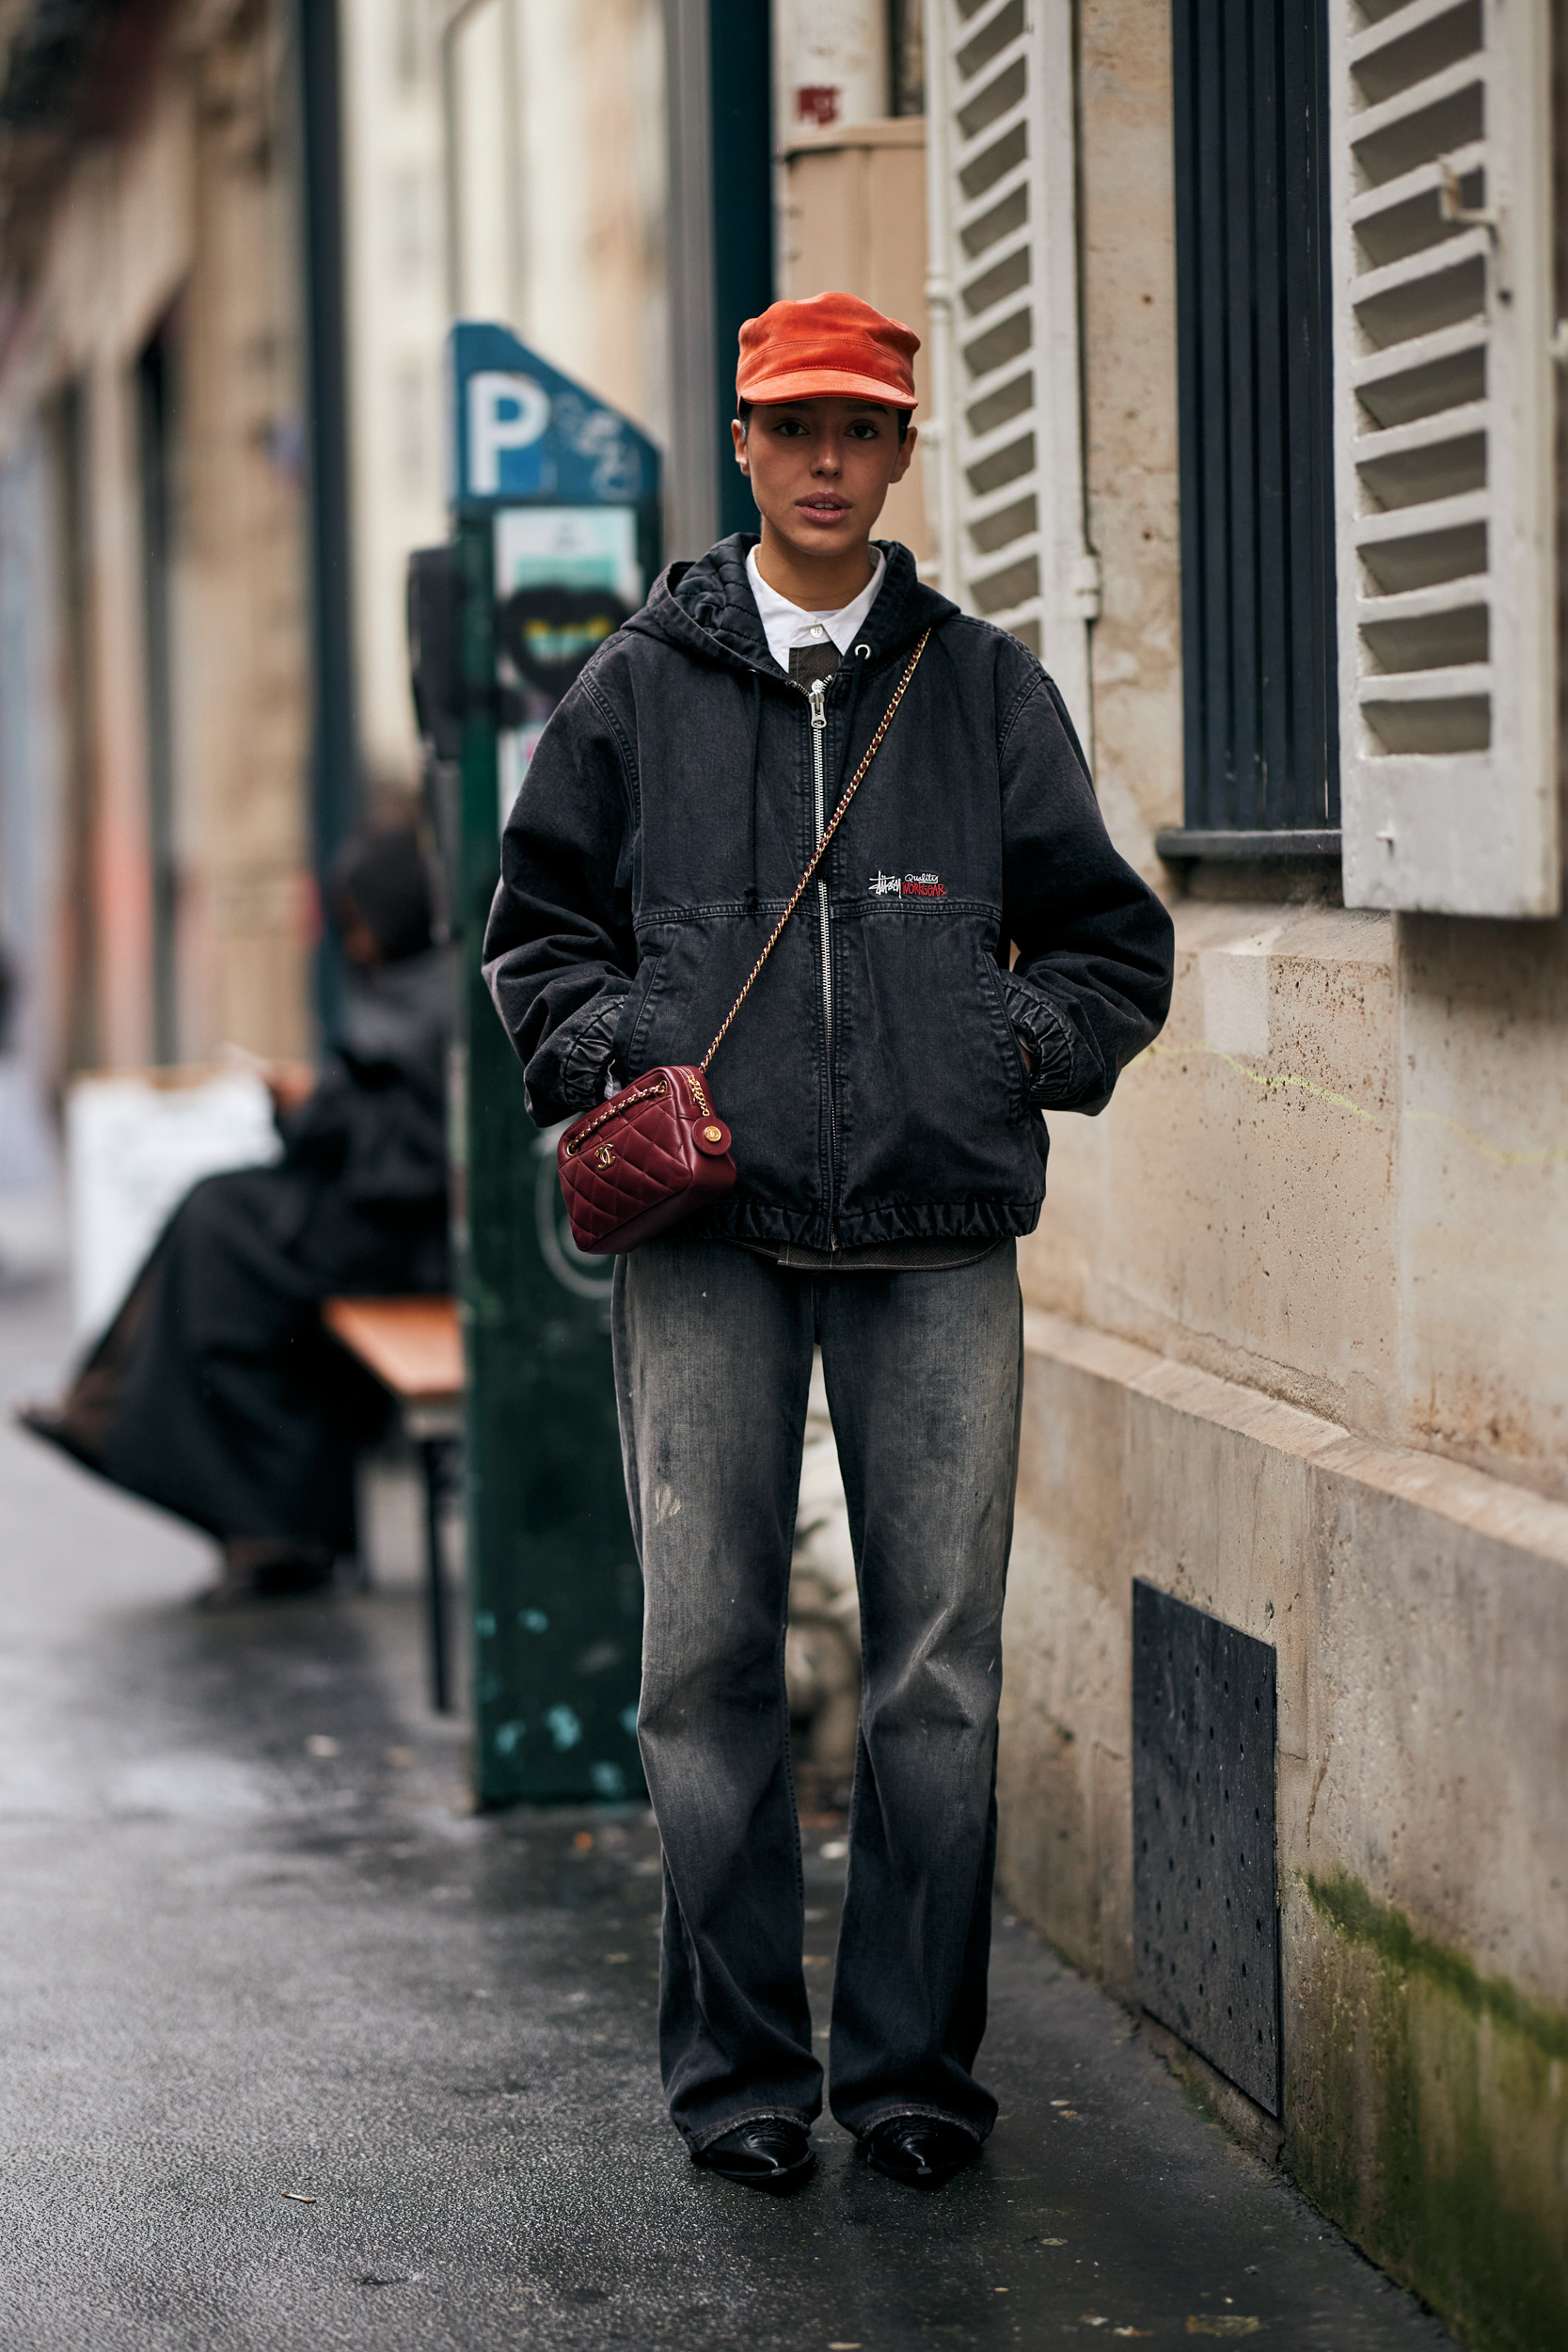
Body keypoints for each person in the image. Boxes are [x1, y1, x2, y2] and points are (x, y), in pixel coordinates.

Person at [483, 292, 1176, 2192]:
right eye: (790, 423)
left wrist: (990, 1047)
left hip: (938, 1236)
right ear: (742, 440)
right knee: (698, 1663)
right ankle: (734, 2084)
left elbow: (1111, 949)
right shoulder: (631, 688)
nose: (820, 457)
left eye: (857, 427)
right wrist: (648, 1055)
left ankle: (908, 2082)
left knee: (933, 1677)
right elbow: (534, 941)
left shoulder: (978, 690)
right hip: (706, 1234)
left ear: (895, 454)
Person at [21, 821, 451, 1603]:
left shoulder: (424, 994)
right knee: (217, 1218)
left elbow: (376, 1143)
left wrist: (304, 1104)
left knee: (219, 1229)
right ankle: (116, 1408)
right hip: (391, 1228)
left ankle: (136, 1426)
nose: (350, 944)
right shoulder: (426, 989)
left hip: (400, 1241)